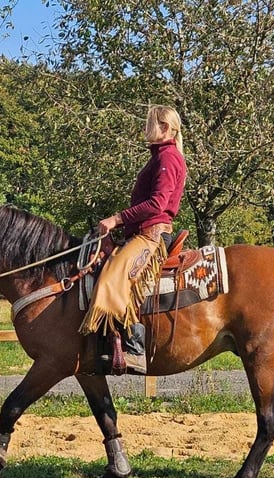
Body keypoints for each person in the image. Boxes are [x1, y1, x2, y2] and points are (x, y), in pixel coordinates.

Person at [79, 105, 187, 374]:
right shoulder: (161, 156)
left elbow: (157, 203)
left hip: (151, 235)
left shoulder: (167, 158)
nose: (144, 128)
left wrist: (116, 219)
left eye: (149, 123)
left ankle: (134, 349)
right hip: (143, 232)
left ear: (164, 127)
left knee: (113, 277)